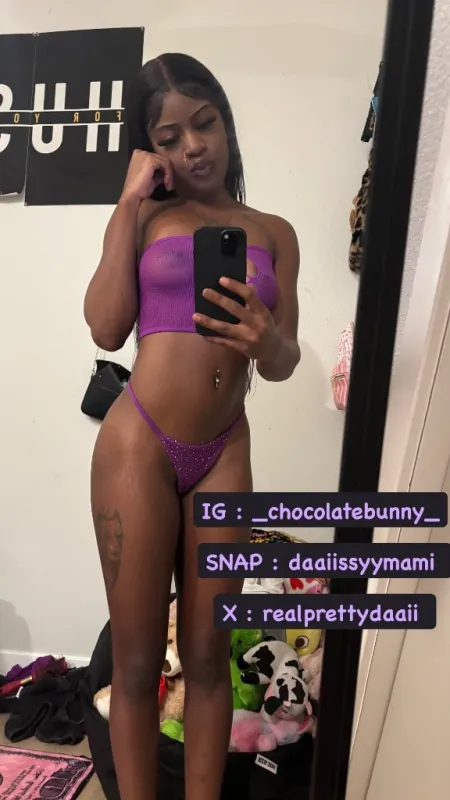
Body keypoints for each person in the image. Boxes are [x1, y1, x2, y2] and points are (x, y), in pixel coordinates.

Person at [84, 52, 300, 800]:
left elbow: (283, 362)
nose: (194, 147)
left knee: (210, 657)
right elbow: (106, 327)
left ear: (226, 122)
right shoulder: (145, 216)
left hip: (224, 447)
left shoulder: (275, 232)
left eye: (204, 124)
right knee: (138, 662)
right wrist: (126, 204)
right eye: (169, 138)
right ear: (149, 150)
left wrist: (266, 340)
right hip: (139, 443)